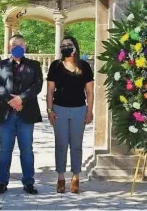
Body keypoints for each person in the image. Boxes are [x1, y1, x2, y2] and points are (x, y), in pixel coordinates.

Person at [0, 34, 43, 195]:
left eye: (20, 44)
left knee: (26, 149)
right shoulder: (0, 64)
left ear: (25, 47)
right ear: (9, 47)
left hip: (26, 113)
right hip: (5, 113)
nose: (17, 47)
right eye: (14, 45)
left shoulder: (34, 65)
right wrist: (10, 100)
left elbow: (37, 85)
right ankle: (1, 182)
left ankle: (28, 182)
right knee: (5, 149)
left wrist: (21, 99)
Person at [46, 36, 94, 194]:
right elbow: (50, 91)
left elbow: (89, 91)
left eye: (69, 44)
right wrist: (49, 109)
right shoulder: (55, 66)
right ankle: (60, 178)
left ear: (75, 46)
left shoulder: (84, 66)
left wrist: (89, 111)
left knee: (76, 145)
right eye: (63, 45)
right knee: (60, 144)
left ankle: (75, 177)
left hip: (79, 110)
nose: (66, 47)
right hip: (59, 109)